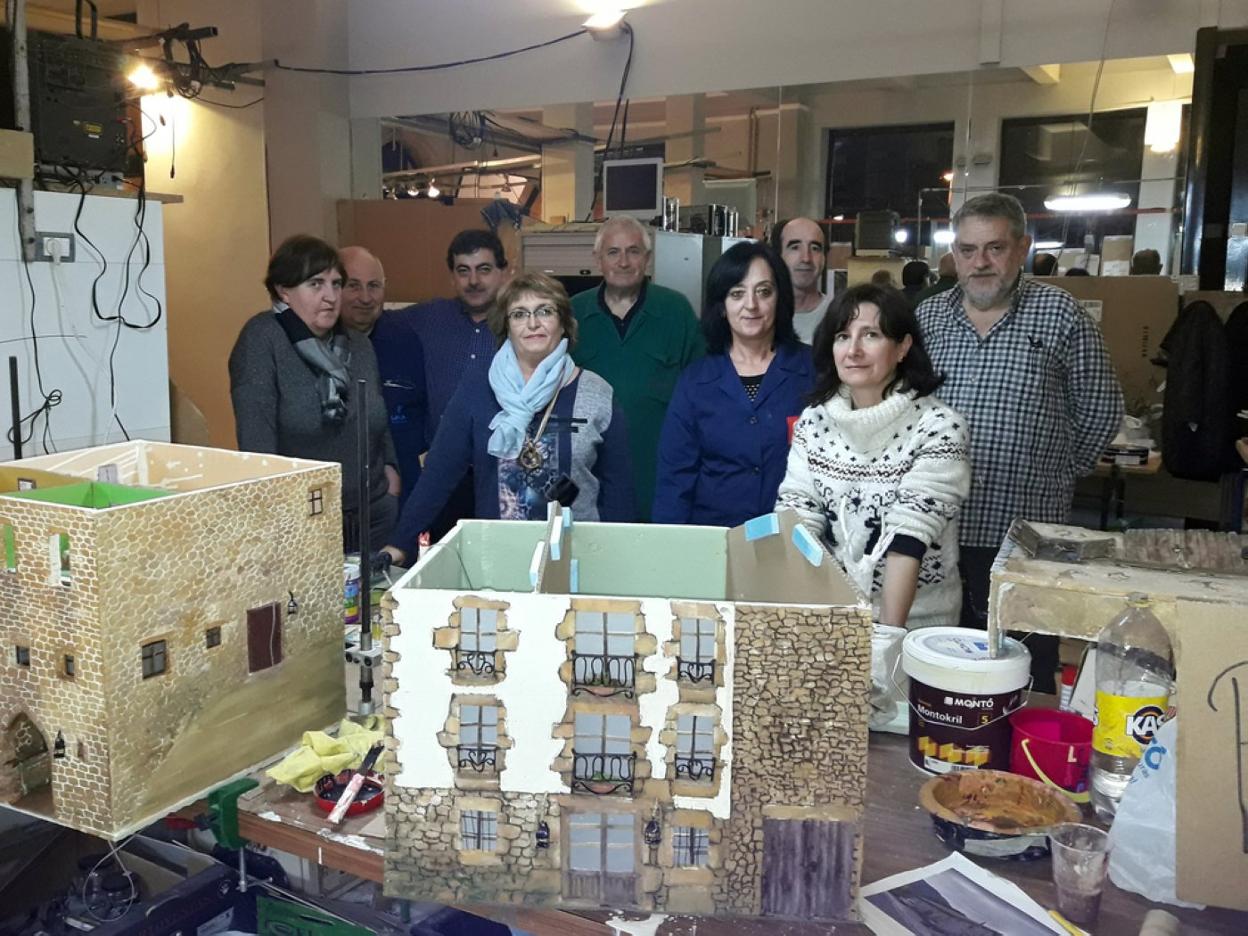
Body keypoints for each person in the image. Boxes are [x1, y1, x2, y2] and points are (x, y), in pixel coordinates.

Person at [917, 192, 1123, 691]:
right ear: (954, 253)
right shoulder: (928, 319)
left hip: (1025, 537)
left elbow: (1101, 408)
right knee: (942, 667)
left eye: (995, 248)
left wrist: (1052, 470)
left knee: (1023, 671)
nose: (980, 262)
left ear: (1023, 248)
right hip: (939, 532)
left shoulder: (1061, 315)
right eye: (968, 250)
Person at [381, 273, 634, 565]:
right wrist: (400, 544)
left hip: (579, 559)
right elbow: (439, 474)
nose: (533, 323)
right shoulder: (477, 389)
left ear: (564, 322)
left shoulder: (597, 393)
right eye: (519, 314)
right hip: (498, 560)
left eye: (545, 311)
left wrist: (619, 562)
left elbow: (619, 492)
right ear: (506, 327)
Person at [777, 283, 970, 630]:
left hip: (916, 623)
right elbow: (796, 517)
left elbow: (908, 540)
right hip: (832, 615)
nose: (853, 350)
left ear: (903, 347)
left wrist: (887, 641)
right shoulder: (814, 422)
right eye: (842, 336)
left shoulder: (939, 427)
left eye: (871, 335)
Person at [229, 235, 400, 549]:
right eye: (316, 284)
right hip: (302, 521)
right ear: (284, 290)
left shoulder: (358, 343)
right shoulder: (263, 339)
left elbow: (376, 414)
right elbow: (256, 443)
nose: (330, 297)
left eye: (336, 284)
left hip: (373, 513)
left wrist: (391, 468)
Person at [653, 242, 814, 527]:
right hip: (714, 539)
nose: (751, 305)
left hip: (795, 536)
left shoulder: (813, 369)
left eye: (764, 291)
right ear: (722, 306)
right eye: (737, 293)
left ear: (780, 299)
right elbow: (675, 479)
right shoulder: (695, 381)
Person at [571, 215, 705, 520]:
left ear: (647, 258)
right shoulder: (573, 313)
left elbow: (702, 394)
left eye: (633, 251)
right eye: (613, 252)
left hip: (661, 478)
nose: (623, 262)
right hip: (590, 482)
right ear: (597, 259)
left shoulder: (676, 311)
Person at [402, 229, 512, 540]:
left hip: (501, 474)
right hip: (443, 476)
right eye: (463, 271)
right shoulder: (427, 318)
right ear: (452, 276)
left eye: (484, 269)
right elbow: (368, 318)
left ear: (505, 271)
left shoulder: (521, 323)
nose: (473, 280)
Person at [339, 246, 426, 511]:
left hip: (406, 486)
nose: (365, 297)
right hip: (343, 489)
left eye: (374, 286)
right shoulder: (318, 344)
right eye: (353, 286)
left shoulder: (405, 337)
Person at [771, 217, 831, 344]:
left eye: (815, 248)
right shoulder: (760, 315)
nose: (806, 258)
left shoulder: (840, 315)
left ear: (824, 258)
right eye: (795, 247)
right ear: (778, 256)